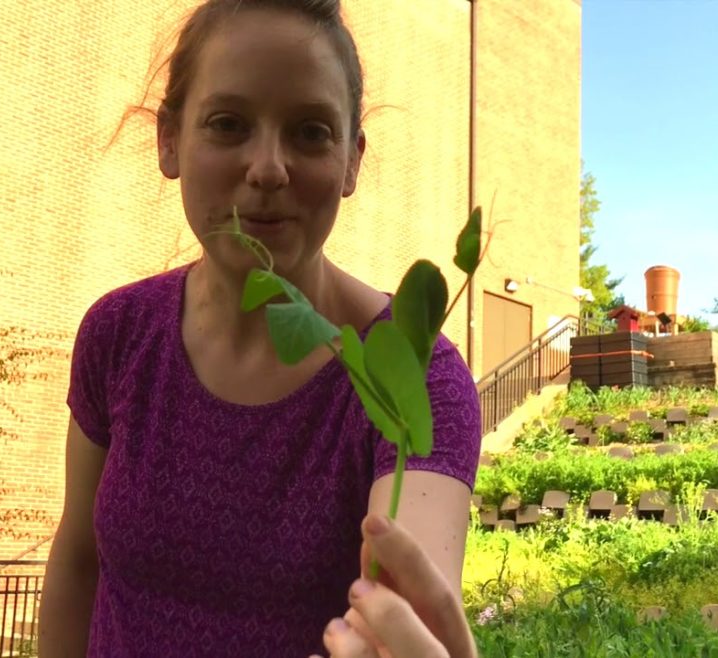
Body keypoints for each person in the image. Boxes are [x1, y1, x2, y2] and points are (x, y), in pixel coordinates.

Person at [37, 1, 483, 656]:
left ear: (352, 160)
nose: (269, 167)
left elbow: (415, 601)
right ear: (169, 140)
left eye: (310, 132)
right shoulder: (120, 333)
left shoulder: (411, 370)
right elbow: (78, 559)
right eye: (228, 124)